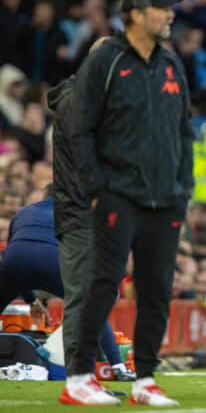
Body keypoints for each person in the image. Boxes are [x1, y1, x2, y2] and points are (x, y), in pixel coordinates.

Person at [60, 0, 194, 407]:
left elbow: (185, 131)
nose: (171, 13)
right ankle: (78, 377)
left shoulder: (172, 64)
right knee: (103, 285)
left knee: (156, 290)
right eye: (163, 7)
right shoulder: (105, 60)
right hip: (117, 193)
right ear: (136, 12)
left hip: (165, 198)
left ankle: (145, 379)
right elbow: (80, 129)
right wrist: (96, 188)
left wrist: (184, 188)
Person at [0, 189, 134, 381]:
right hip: (52, 261)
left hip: (13, 262)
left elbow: (20, 250)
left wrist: (31, 300)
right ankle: (119, 367)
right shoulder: (78, 214)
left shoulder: (23, 212)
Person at [48, 36, 122, 382]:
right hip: (80, 214)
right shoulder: (79, 103)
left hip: (93, 214)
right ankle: (79, 378)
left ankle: (84, 375)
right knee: (82, 295)